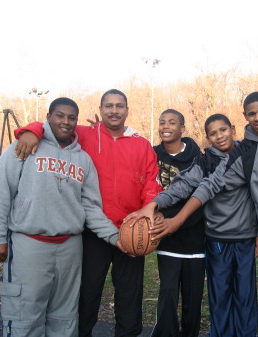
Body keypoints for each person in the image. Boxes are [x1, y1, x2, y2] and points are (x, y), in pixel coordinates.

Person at [126, 92, 258, 337]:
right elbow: (201, 185)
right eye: (252, 113)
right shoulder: (227, 158)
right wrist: (157, 205)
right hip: (236, 238)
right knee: (254, 304)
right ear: (244, 116)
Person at [14, 89, 162, 337]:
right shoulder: (84, 134)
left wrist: (150, 208)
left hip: (131, 230)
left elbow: (151, 182)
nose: (114, 110)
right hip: (93, 229)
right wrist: (30, 130)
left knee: (129, 295)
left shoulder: (141, 144)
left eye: (119, 106)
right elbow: (51, 124)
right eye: (108, 106)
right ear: (101, 109)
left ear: (127, 110)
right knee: (87, 293)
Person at [0, 97, 122, 337]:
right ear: (48, 117)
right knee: (24, 315)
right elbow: (1, 191)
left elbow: (90, 207)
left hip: (69, 247)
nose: (66, 121)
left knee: (65, 317)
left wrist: (115, 237)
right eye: (60, 115)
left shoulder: (83, 159)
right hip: (30, 242)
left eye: (72, 118)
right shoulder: (26, 146)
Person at [136, 113, 258, 337]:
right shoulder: (204, 161)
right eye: (213, 133)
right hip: (216, 239)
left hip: (244, 238)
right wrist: (154, 204)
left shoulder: (248, 153)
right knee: (220, 298)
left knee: (245, 298)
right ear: (207, 137)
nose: (219, 136)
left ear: (233, 129)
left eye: (223, 130)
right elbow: (182, 185)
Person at [150, 109, 205, 337]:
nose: (166, 126)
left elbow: (200, 197)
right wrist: (156, 212)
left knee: (193, 302)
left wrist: (176, 218)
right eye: (162, 122)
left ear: (182, 129)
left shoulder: (198, 157)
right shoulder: (151, 154)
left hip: (195, 239)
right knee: (168, 295)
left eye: (172, 123)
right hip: (167, 240)